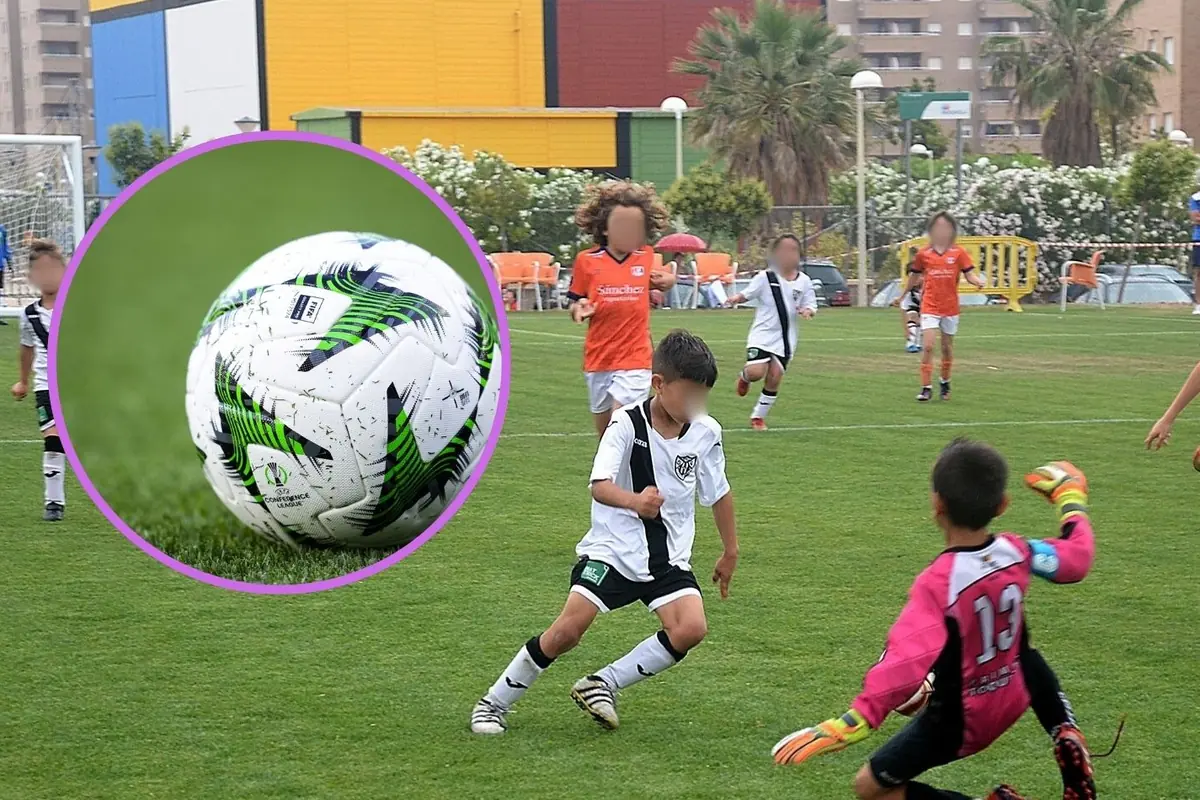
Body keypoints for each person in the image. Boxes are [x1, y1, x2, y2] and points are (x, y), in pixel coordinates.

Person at [772, 440, 1098, 800]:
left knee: (871, 787)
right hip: (1021, 691)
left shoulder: (940, 581)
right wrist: (1070, 498)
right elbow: (1076, 559)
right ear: (1002, 505)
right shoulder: (1017, 550)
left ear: (937, 504)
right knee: (1024, 650)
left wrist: (852, 722)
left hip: (962, 718)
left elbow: (905, 662)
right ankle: (1063, 728)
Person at [470, 330, 738, 735]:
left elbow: (719, 492)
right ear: (659, 384)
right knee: (565, 633)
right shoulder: (626, 424)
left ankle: (602, 684)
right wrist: (635, 502)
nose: (695, 404)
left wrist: (730, 549)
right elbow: (599, 485)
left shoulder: (706, 432)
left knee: (690, 628)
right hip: (612, 552)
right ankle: (493, 704)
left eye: (702, 395)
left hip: (666, 559)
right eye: (688, 394)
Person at [566, 181, 677, 438]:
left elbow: (656, 280)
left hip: (636, 358)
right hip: (599, 358)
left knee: (622, 422)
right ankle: (610, 474)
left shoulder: (645, 256)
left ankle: (629, 475)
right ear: (605, 229)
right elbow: (575, 302)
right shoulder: (586, 261)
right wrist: (579, 310)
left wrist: (669, 282)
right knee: (606, 435)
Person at [724, 234, 817, 430]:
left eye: (793, 250)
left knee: (775, 377)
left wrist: (807, 311)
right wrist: (735, 299)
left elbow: (810, 304)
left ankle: (758, 417)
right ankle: (745, 376)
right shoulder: (766, 277)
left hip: (786, 339)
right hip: (762, 334)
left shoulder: (805, 281)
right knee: (757, 372)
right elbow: (748, 294)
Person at [10, 239, 68, 521]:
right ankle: (53, 503)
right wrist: (22, 381)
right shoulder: (29, 314)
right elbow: (26, 348)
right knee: (54, 440)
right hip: (46, 387)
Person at [904, 212, 985, 402]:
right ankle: (926, 387)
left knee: (947, 348)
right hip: (930, 305)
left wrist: (976, 282)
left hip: (950, 307)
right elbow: (914, 276)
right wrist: (902, 295)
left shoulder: (958, 253)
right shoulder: (924, 254)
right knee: (929, 346)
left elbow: (969, 274)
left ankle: (945, 382)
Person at [900, 271, 924, 353]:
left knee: (923, 323)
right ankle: (910, 343)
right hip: (914, 307)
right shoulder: (908, 292)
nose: (914, 280)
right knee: (913, 316)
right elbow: (903, 309)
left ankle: (918, 343)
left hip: (928, 308)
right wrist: (905, 329)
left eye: (917, 277)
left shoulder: (929, 288)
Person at [1190, 169, 1200, 315]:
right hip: (1199, 239)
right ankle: (1198, 304)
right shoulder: (1195, 199)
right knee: (1199, 272)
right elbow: (1196, 218)